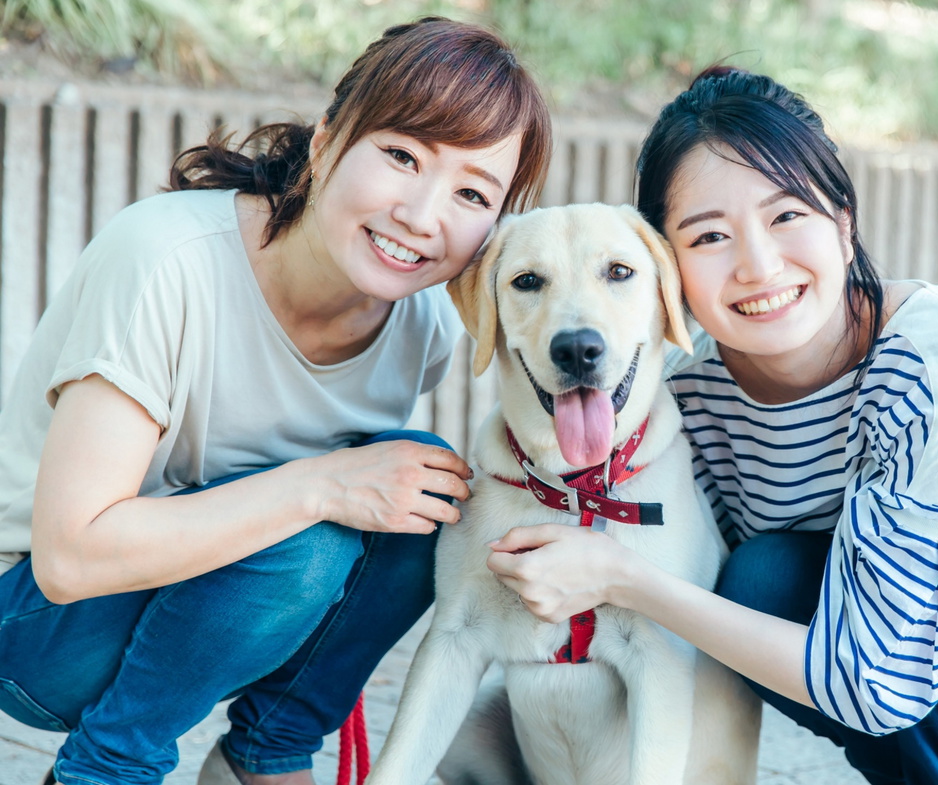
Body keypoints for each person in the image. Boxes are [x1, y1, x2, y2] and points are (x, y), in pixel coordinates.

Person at [484, 66, 938, 784]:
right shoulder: (687, 390)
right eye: (710, 236)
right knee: (757, 579)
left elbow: (885, 677)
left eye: (787, 216)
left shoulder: (933, 365)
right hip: (878, 625)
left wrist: (626, 580)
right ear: (667, 267)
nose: (759, 266)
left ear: (843, 223)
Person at [0, 18, 550, 785]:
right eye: (402, 155)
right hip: (38, 623)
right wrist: (318, 486)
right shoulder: (166, 260)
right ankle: (106, 768)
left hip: (199, 610)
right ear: (326, 142)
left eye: (470, 192)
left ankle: (265, 753)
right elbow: (69, 558)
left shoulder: (423, 322)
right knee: (308, 538)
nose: (422, 215)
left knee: (430, 486)